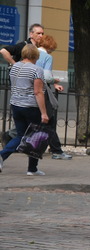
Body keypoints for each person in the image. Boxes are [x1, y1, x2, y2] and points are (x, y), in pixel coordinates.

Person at [0, 44, 49, 175]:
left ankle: (2, 156)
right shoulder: (36, 70)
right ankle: (32, 169)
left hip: (16, 105)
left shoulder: (15, 67)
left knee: (21, 135)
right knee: (35, 136)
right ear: (36, 55)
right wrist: (44, 113)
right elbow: (38, 92)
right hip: (30, 107)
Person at [1, 24, 45, 146]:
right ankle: (12, 138)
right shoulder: (23, 46)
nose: (41, 35)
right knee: (28, 115)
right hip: (23, 89)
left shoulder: (38, 48)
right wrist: (14, 63)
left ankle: (16, 141)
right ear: (31, 34)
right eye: (38, 33)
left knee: (24, 119)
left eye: (42, 33)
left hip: (31, 85)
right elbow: (4, 50)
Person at [36, 35, 71, 160]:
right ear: (49, 46)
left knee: (34, 119)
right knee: (49, 121)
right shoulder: (47, 57)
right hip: (42, 90)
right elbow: (46, 76)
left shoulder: (32, 53)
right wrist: (55, 80)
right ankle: (56, 150)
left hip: (29, 91)